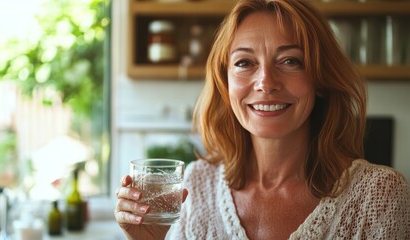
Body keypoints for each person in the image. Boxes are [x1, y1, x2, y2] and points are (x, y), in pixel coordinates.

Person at [115, 0, 410, 239]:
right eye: (245, 62)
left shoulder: (380, 195)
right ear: (225, 82)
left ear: (320, 79)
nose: (266, 82)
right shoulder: (197, 185)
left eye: (290, 61)